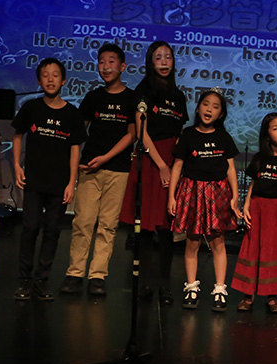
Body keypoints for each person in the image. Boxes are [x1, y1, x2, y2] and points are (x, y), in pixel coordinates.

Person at [61, 44, 137, 296]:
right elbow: (78, 132)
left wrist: (105, 158)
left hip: (118, 169)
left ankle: (97, 276)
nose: (106, 67)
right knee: (83, 221)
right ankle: (75, 273)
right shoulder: (93, 97)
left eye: (111, 62)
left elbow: (132, 135)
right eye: (102, 62)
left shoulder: (132, 98)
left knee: (107, 225)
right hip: (89, 167)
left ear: (122, 66)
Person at [119, 41, 188, 304]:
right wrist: (161, 165)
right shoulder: (143, 91)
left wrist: (175, 165)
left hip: (172, 160)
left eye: (168, 57)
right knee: (146, 228)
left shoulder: (178, 96)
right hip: (151, 160)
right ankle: (145, 283)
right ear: (150, 61)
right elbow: (141, 131)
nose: (164, 61)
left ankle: (165, 285)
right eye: (158, 57)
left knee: (167, 229)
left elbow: (179, 133)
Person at [12, 58, 86, 300]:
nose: (50, 79)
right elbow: (17, 135)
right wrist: (17, 166)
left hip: (59, 183)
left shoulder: (72, 113)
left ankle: (42, 281)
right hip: (33, 180)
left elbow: (75, 148)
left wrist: (72, 182)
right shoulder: (31, 108)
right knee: (30, 228)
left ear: (63, 80)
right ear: (39, 80)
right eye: (45, 75)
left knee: (52, 231)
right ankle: (24, 280)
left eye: (55, 75)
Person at [168, 88, 239, 311]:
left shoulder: (223, 137)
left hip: (217, 192)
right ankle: (191, 287)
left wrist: (235, 196)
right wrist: (171, 196)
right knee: (192, 241)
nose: (209, 109)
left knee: (218, 242)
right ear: (198, 108)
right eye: (206, 104)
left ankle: (220, 289)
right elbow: (177, 166)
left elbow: (230, 168)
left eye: (215, 106)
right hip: (192, 191)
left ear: (221, 114)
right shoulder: (188, 135)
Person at [231, 112, 277, 313]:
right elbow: (253, 184)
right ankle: (248, 296)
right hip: (258, 208)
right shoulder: (259, 158)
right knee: (252, 250)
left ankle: (272, 297)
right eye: (275, 128)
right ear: (267, 134)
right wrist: (246, 205)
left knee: (274, 251)